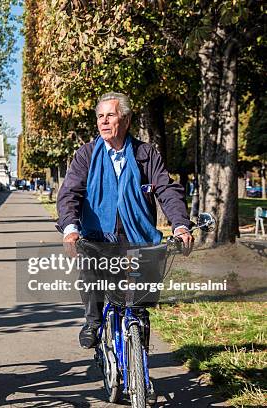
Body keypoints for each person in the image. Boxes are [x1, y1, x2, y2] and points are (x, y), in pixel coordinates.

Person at [56, 92, 194, 349]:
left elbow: (166, 188)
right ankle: (93, 322)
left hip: (137, 236)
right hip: (98, 236)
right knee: (90, 269)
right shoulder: (86, 154)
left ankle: (139, 363)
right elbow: (70, 193)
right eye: (100, 116)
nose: (104, 121)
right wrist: (71, 229)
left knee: (139, 305)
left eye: (111, 115)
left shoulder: (145, 153)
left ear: (127, 119)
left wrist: (180, 224)